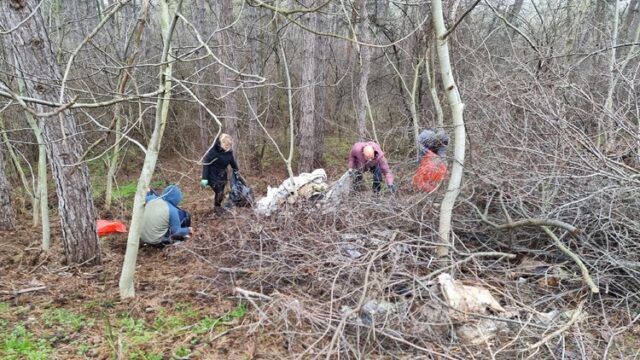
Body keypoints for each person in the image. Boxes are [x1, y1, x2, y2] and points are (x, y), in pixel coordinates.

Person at [200, 133, 239, 215]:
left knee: (221, 190)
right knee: (219, 192)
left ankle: (218, 204)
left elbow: (231, 161)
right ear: (222, 143)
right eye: (227, 145)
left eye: (229, 146)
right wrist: (204, 178)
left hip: (222, 175)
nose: (228, 147)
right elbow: (206, 164)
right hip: (212, 175)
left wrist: (236, 169)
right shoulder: (213, 152)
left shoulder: (228, 152)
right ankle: (217, 207)